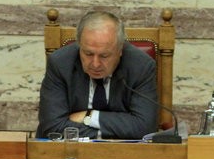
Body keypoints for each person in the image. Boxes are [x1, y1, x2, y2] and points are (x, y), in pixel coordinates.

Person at [36, 10, 158, 140]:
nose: (95, 64)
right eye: (88, 54)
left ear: (120, 50)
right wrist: (108, 134)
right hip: (70, 149)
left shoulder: (141, 66)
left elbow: (145, 128)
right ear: (79, 45)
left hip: (123, 151)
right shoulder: (60, 63)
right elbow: (52, 127)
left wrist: (90, 116)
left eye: (104, 56)